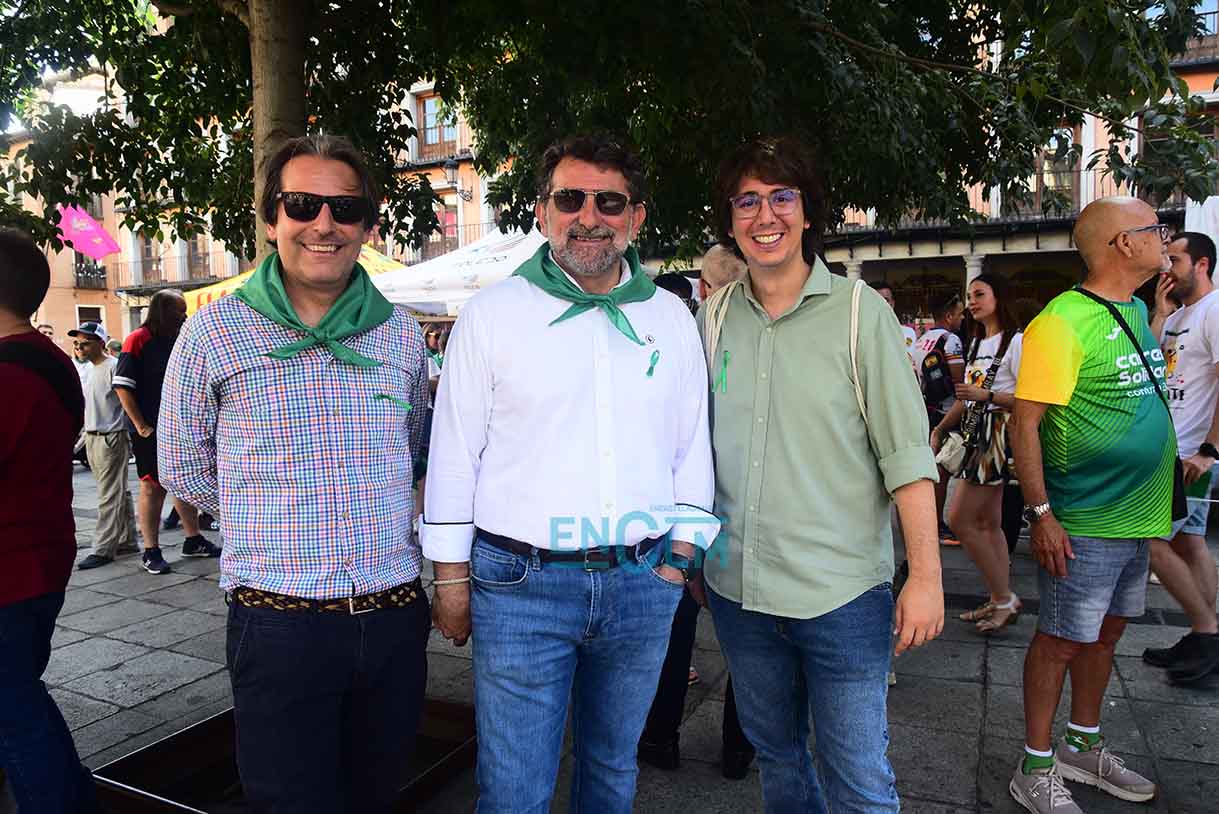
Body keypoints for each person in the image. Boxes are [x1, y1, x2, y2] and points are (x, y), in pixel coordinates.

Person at [424, 134, 718, 813]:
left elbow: (691, 449)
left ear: (635, 217)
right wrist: (450, 580)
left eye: (608, 202)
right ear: (541, 211)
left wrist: (679, 564)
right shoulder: (492, 315)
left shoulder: (670, 318)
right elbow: (454, 455)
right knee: (513, 790)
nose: (589, 216)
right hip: (518, 585)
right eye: (570, 199)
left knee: (612, 772)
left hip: (641, 582)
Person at [159, 133, 431, 813]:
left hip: (393, 618)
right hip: (278, 625)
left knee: (378, 796)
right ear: (271, 217)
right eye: (303, 204)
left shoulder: (400, 333)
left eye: (345, 208)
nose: (324, 224)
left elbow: (414, 447)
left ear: (367, 225)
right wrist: (270, 518)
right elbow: (181, 462)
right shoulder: (213, 332)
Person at [698, 136, 943, 813]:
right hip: (739, 591)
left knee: (858, 780)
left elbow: (907, 457)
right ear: (729, 219)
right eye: (746, 201)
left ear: (808, 213)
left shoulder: (861, 314)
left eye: (782, 197)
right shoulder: (711, 319)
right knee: (777, 757)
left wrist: (925, 577)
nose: (765, 215)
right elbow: (693, 451)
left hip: (841, 596)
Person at [1008, 196, 1170, 814]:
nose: (1163, 237)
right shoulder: (1061, 321)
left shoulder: (1134, 309)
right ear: (1124, 244)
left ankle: (1081, 745)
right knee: (1060, 640)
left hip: (1137, 517)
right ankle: (1035, 765)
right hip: (1083, 520)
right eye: (1155, 228)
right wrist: (1041, 515)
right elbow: (1026, 424)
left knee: (1106, 634)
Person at [0, 228, 98, 813]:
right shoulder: (50, 360)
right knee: (17, 697)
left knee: (15, 710)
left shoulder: (9, 374)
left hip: (11, 570)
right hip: (40, 556)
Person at [1145, 231, 1219, 683]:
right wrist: (1159, 311)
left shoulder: (1214, 310)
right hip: (1173, 450)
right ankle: (1205, 638)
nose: (1165, 268)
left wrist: (1210, 450)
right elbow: (1151, 365)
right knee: (1189, 542)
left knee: (1149, 542)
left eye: (1174, 259)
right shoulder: (1177, 315)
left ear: (1202, 263)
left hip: (1191, 455)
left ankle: (1206, 631)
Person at [932, 274, 1024, 634]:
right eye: (969, 296)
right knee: (988, 522)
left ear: (1000, 297)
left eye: (979, 294)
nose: (972, 302)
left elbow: (1029, 399)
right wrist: (941, 428)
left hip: (997, 434)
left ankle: (1004, 598)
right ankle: (999, 597)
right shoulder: (976, 343)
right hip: (976, 432)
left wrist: (986, 396)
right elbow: (965, 396)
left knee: (960, 519)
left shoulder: (1016, 341)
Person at [115, 289, 219, 574]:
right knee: (152, 486)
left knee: (183, 480)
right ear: (162, 311)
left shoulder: (179, 339)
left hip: (177, 426)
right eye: (178, 311)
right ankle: (151, 550)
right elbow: (122, 387)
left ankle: (193, 539)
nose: (184, 316)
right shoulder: (138, 339)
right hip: (149, 428)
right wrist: (141, 426)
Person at [71, 322, 137, 570]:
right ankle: (127, 539)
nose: (80, 347)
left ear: (101, 344)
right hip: (93, 436)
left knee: (109, 494)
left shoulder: (113, 366)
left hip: (111, 436)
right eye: (77, 343)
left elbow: (126, 401)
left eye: (85, 343)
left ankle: (103, 548)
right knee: (117, 491)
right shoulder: (88, 369)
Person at [912, 292, 966, 540]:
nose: (962, 318)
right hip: (947, 412)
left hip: (925, 409)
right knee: (942, 470)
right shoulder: (950, 340)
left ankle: (927, 521)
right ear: (949, 316)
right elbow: (960, 381)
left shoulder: (921, 340)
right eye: (959, 314)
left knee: (930, 469)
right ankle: (935, 524)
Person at [872, 280, 918, 349]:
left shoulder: (907, 334)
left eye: (886, 300)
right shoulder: (859, 335)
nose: (881, 304)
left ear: (892, 304)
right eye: (877, 300)